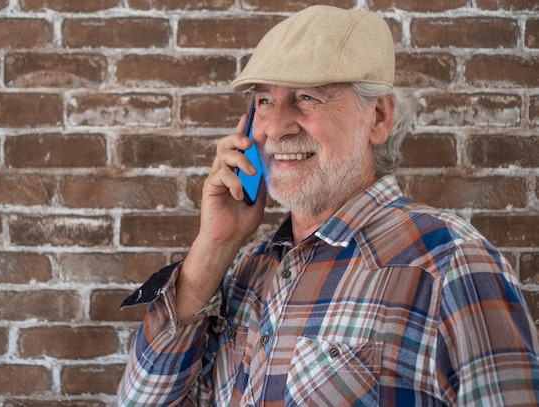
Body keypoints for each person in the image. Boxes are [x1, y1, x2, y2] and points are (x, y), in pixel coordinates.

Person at [117, 5, 539, 406]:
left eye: (307, 97)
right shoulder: (248, 269)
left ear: (378, 118)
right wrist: (214, 246)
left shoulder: (451, 262)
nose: (278, 127)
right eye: (264, 100)